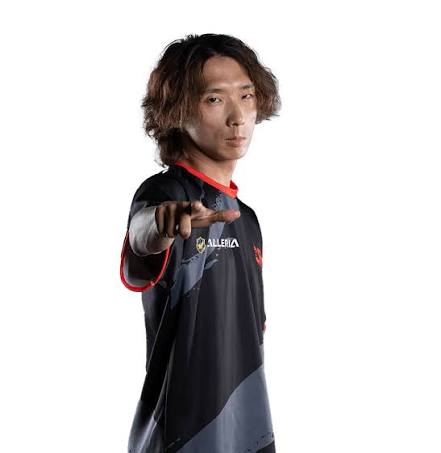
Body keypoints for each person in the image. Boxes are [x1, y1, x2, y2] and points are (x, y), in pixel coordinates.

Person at [120, 33, 281, 453]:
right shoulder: (165, 194)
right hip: (180, 436)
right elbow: (143, 233)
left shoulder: (247, 220)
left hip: (247, 433)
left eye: (246, 96)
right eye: (214, 99)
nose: (237, 117)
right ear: (177, 110)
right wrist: (162, 223)